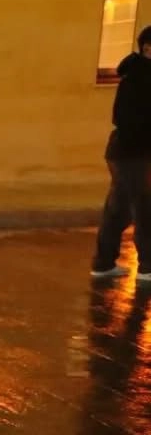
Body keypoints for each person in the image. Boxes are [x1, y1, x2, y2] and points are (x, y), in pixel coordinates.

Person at [91, 25, 151, 282]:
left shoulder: (135, 74)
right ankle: (148, 267)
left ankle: (103, 264)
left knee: (119, 210)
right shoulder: (142, 77)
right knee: (145, 208)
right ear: (148, 49)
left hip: (123, 152)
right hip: (133, 153)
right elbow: (129, 118)